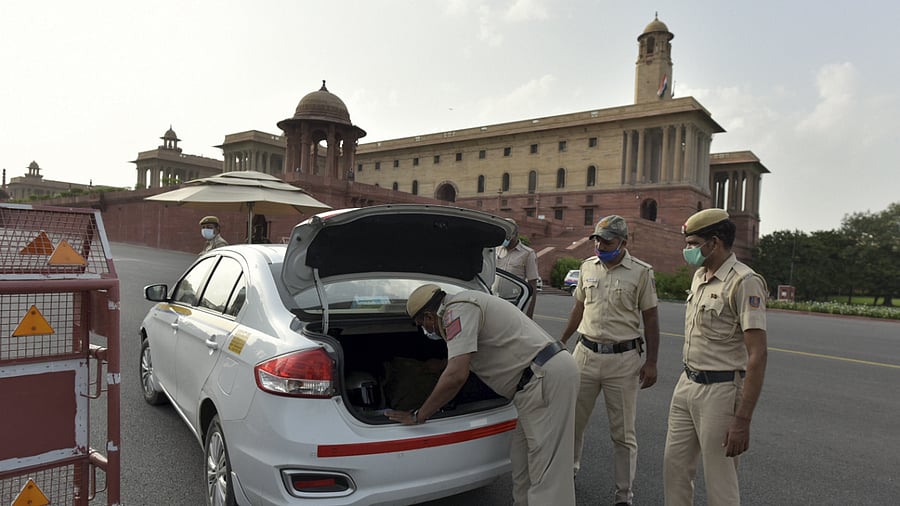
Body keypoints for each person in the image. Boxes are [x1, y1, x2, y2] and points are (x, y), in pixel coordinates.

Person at [388, 284, 578, 506]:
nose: (426, 330)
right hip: (533, 384)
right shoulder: (464, 304)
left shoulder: (456, 310)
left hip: (544, 379)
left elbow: (456, 376)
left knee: (548, 474)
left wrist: (420, 415)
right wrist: (440, 365)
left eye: (423, 324)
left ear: (430, 316)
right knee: (523, 462)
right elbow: (472, 351)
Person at [663, 208, 768, 506]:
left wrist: (743, 419)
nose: (688, 250)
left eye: (693, 243)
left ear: (715, 241)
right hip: (687, 384)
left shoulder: (744, 281)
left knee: (719, 480)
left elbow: (757, 355)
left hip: (720, 391)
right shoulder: (700, 276)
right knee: (675, 469)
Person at [559, 215, 660, 506]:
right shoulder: (586, 268)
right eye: (597, 240)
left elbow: (651, 318)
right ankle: (568, 474)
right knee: (573, 423)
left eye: (607, 240)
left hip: (623, 360)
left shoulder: (641, 272)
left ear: (624, 242)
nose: (600, 245)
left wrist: (651, 361)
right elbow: (578, 308)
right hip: (585, 355)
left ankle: (623, 496)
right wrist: (561, 341)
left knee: (623, 434)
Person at [496, 218, 540, 318]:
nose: (504, 238)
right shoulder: (495, 250)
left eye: (507, 235)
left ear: (515, 234)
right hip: (494, 299)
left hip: (514, 302)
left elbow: (532, 284)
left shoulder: (527, 253)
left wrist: (529, 313)